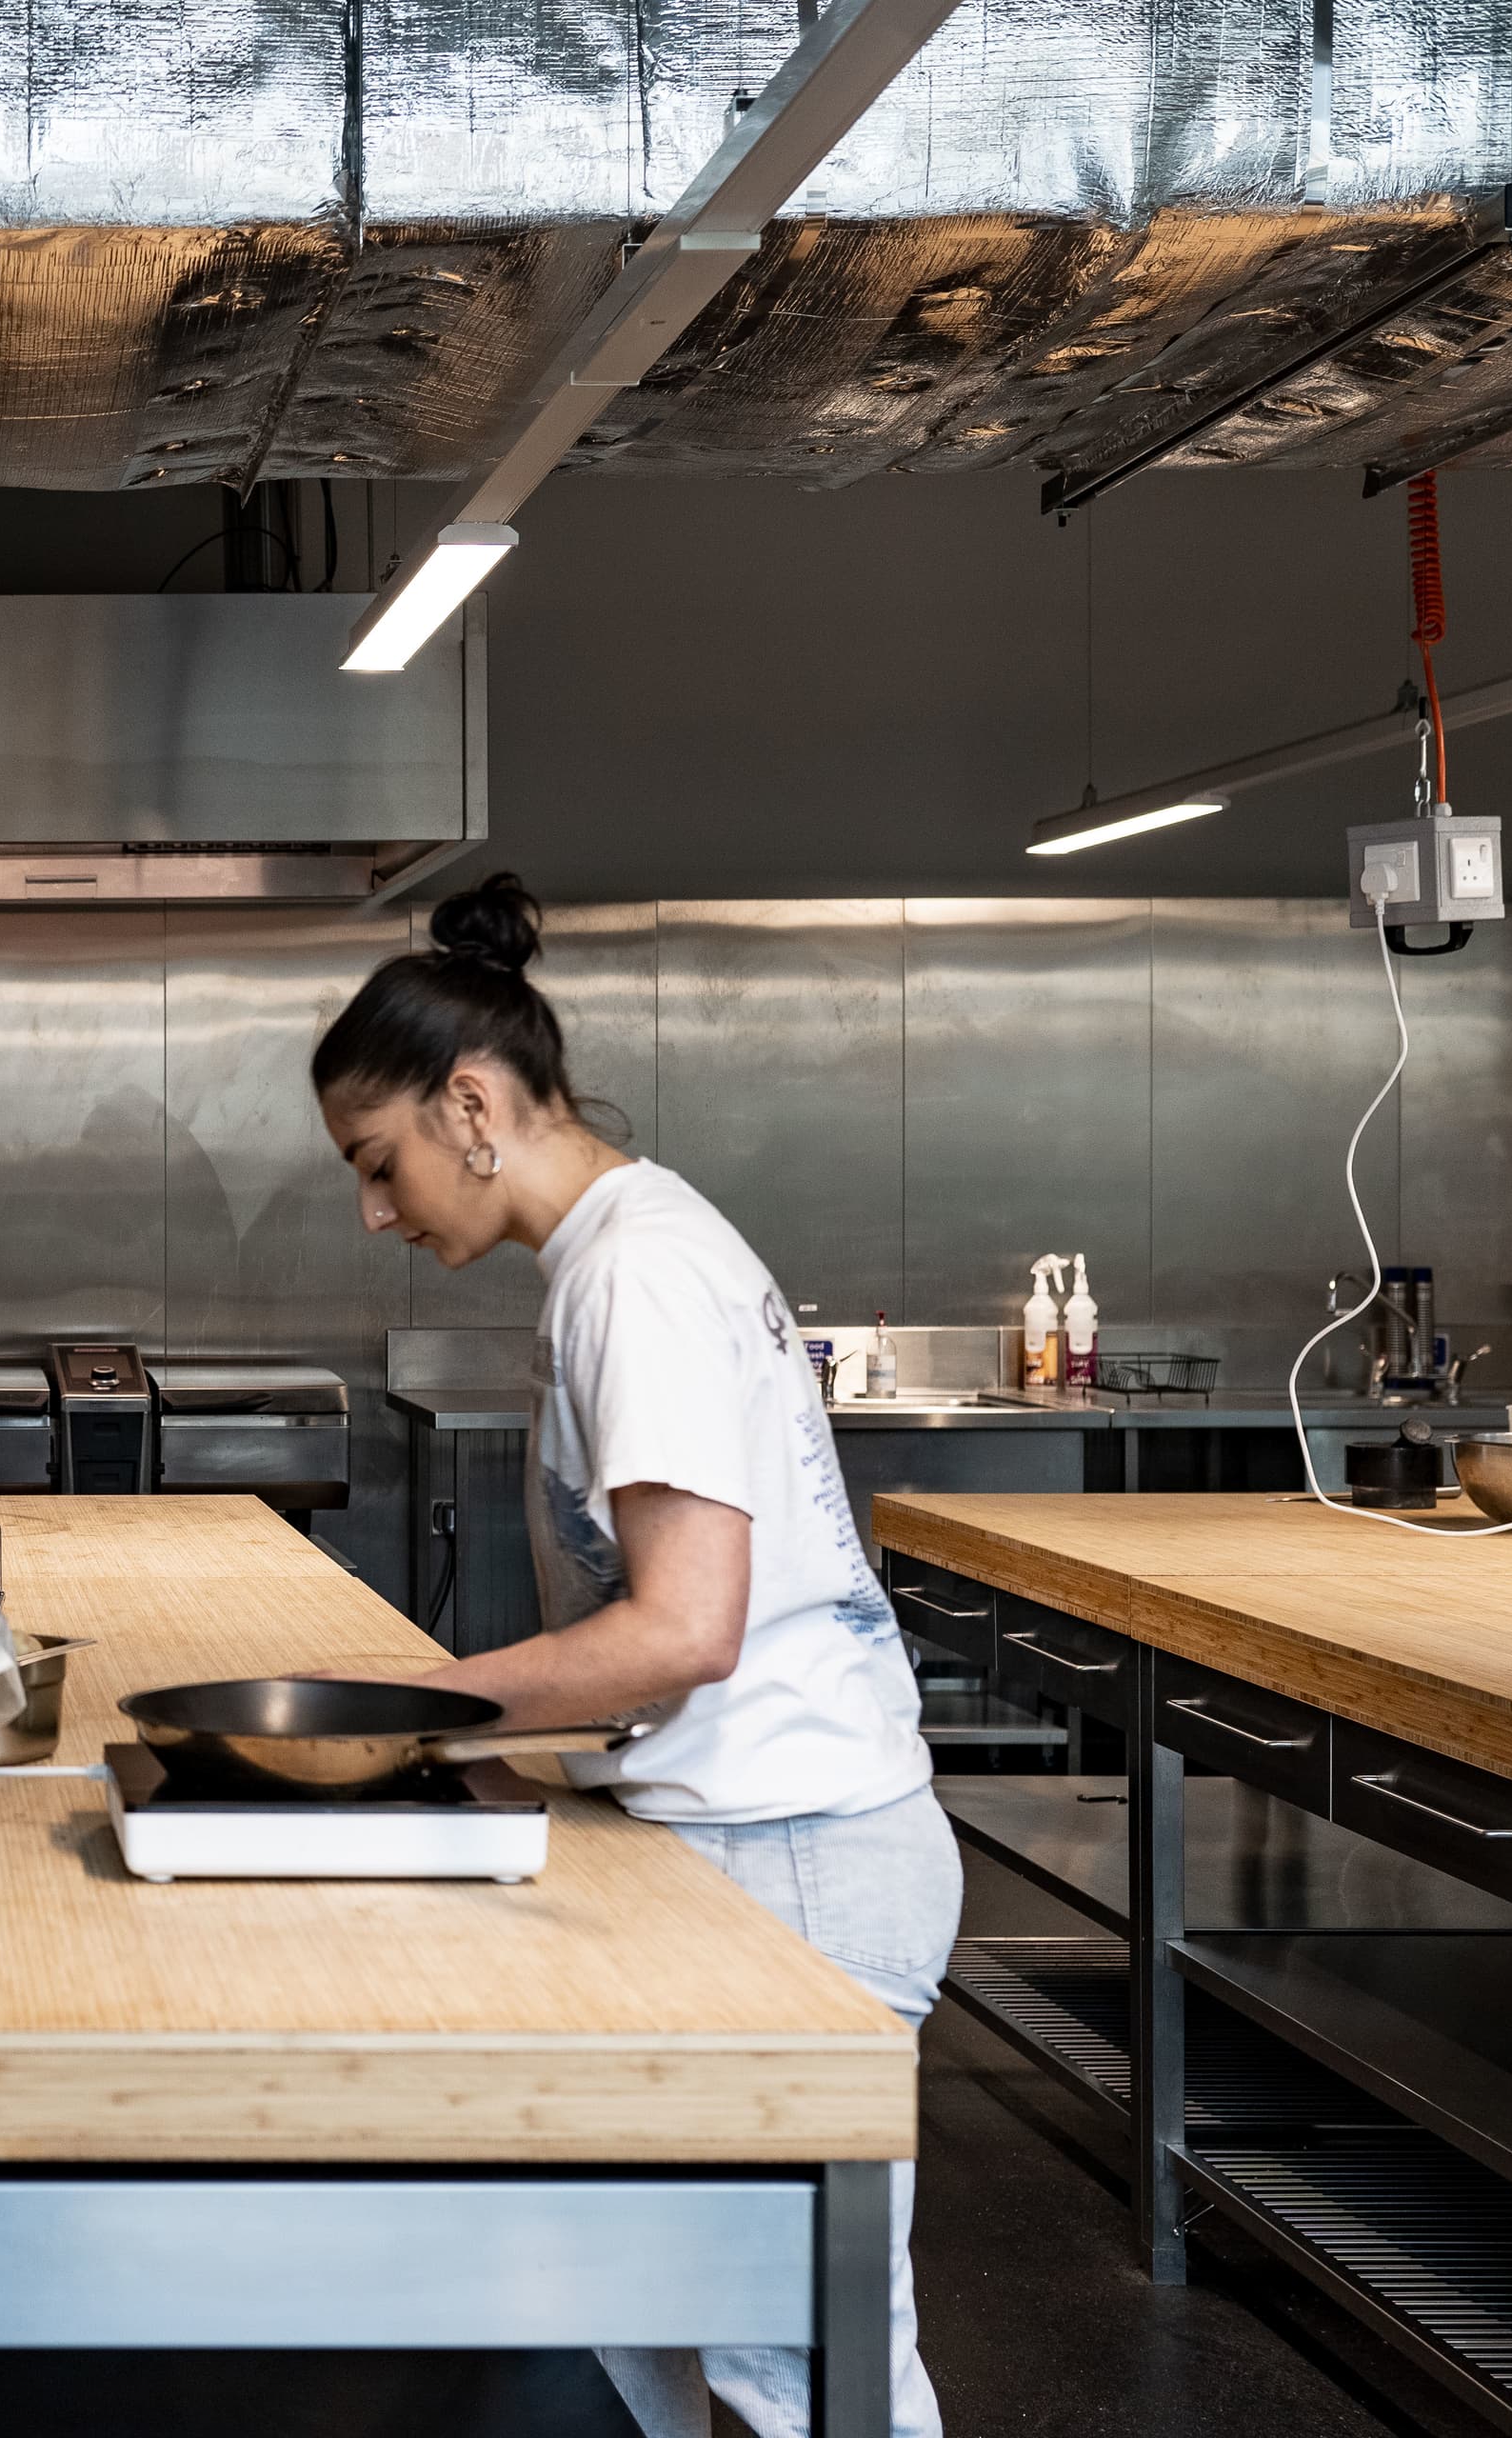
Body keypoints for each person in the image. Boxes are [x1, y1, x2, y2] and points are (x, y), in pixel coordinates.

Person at [308, 874, 953, 2438]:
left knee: (796, 2358)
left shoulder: (634, 1273)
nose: (379, 1213)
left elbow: (683, 1629)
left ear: (472, 1107)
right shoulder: (621, 1248)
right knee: (645, 2304)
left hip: (797, 1858)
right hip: (760, 1839)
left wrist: (412, 1713)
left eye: (379, 1164)